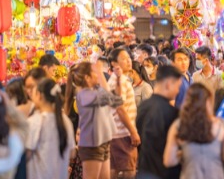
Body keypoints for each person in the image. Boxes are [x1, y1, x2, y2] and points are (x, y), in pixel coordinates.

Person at [164, 83, 224, 179]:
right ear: (209, 101)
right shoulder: (221, 125)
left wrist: (183, 153)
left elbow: (169, 161)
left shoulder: (178, 125)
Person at [68, 62, 123, 179]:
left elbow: (117, 100)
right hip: (91, 143)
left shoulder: (96, 90)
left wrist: (118, 79)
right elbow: (111, 99)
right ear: (87, 78)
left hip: (103, 141)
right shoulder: (84, 94)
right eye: (94, 73)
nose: (98, 75)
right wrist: (100, 72)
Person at [136, 65, 182, 179]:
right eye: (177, 86)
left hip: (144, 169)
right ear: (168, 84)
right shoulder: (171, 112)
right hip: (164, 172)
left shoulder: (143, 106)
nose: (178, 91)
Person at [26, 78, 75, 179]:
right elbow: (72, 153)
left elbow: (26, 154)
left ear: (39, 95)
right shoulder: (66, 121)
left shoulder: (35, 122)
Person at [108, 48, 140, 179]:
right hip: (123, 133)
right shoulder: (118, 81)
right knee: (128, 171)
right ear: (114, 64)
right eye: (124, 58)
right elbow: (120, 108)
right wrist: (133, 132)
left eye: (129, 57)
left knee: (114, 170)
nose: (129, 61)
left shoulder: (121, 79)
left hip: (118, 132)